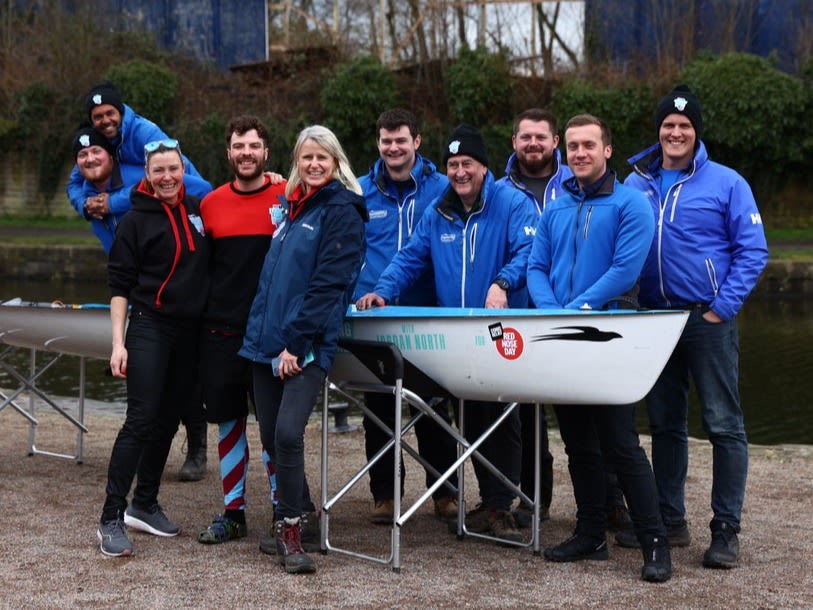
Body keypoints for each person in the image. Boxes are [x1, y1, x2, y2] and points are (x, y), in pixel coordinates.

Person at [357, 123, 538, 544]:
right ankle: (492, 503)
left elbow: (531, 251)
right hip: (458, 334)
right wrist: (382, 291)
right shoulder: (437, 209)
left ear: (484, 166)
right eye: (453, 164)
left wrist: (504, 282)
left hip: (499, 330)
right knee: (470, 419)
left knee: (501, 416)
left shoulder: (512, 202)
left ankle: (502, 504)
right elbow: (411, 256)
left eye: (467, 164)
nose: (459, 173)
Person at [620, 85, 769, 569]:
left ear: (695, 132)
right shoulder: (636, 182)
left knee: (724, 425)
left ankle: (725, 528)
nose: (676, 132)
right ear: (658, 131)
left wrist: (721, 308)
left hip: (707, 318)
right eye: (668, 125)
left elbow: (753, 250)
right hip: (654, 319)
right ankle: (670, 519)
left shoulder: (727, 183)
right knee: (664, 425)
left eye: (684, 126)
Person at [526, 113, 671, 582]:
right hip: (562, 334)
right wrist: (553, 313)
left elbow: (625, 272)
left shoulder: (632, 204)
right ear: (563, 153)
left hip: (607, 338)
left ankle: (655, 542)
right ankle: (591, 535)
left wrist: (576, 308)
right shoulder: (555, 206)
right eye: (572, 147)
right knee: (577, 445)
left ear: (607, 150)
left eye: (589, 145)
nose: (580, 153)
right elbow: (535, 267)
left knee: (621, 444)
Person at [239, 125, 367, 574]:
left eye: (323, 159)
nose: (314, 165)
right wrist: (265, 342)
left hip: (304, 346)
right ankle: (305, 515)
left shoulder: (343, 211)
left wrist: (298, 343)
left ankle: (290, 530)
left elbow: (329, 285)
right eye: (307, 158)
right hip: (264, 344)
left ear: (336, 163)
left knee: (290, 434)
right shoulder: (291, 208)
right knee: (274, 438)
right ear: (297, 161)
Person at [69, 82, 212, 481]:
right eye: (85, 153)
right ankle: (146, 464)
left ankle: (197, 445)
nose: (91, 158)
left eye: (97, 150)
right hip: (134, 286)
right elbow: (74, 178)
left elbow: (196, 187)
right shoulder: (84, 183)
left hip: (178, 278)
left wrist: (113, 201)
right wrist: (85, 203)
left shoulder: (142, 155)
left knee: (186, 373)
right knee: (150, 377)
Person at [195, 115, 319, 550]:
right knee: (229, 424)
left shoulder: (289, 196)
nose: (245, 153)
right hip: (223, 334)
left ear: (266, 153)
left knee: (271, 428)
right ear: (228, 152)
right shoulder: (209, 204)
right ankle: (233, 513)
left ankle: (282, 512)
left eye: (253, 146)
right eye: (238, 146)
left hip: (273, 335)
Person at [97, 139, 210, 557]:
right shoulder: (133, 220)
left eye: (173, 170)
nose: (166, 178)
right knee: (140, 420)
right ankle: (111, 517)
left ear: (184, 170)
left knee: (167, 421)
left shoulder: (199, 209)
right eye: (158, 170)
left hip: (189, 332)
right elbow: (119, 287)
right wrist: (117, 344)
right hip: (149, 325)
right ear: (146, 173)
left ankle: (144, 504)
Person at [354, 108, 458, 524]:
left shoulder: (443, 188)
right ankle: (385, 495)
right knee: (378, 409)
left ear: (417, 141)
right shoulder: (359, 191)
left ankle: (444, 493)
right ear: (378, 144)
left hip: (427, 314)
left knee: (433, 408)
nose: (393, 148)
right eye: (386, 141)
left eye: (401, 140)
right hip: (373, 316)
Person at [495, 108, 571, 527]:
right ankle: (532, 500)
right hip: (521, 316)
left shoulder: (576, 183)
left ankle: (609, 502)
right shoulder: (501, 193)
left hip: (574, 309)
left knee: (589, 411)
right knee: (526, 417)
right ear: (514, 142)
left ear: (554, 141)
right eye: (525, 137)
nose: (533, 144)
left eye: (541, 137)